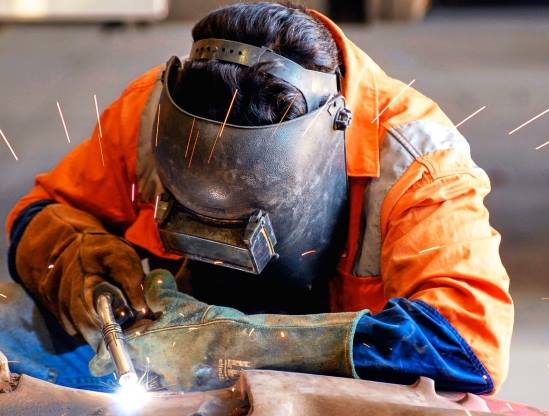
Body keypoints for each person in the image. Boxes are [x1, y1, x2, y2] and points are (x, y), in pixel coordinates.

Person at [2, 2, 513, 394]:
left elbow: (469, 346)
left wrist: (227, 344)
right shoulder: (152, 113)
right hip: (168, 351)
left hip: (335, 385)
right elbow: (39, 212)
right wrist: (76, 259)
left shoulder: (417, 163)